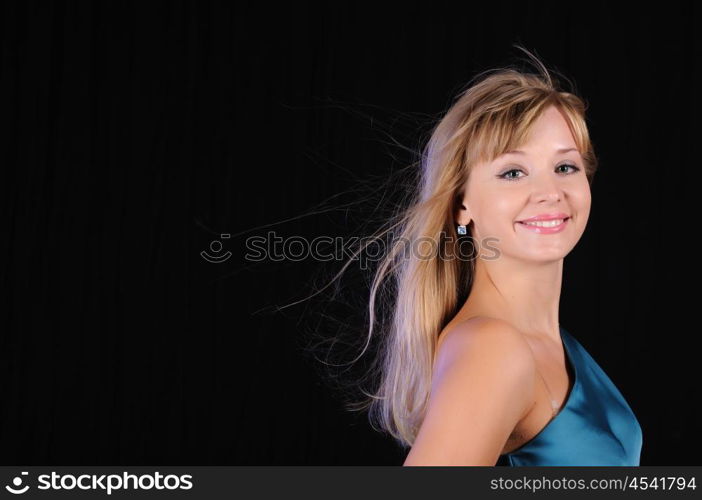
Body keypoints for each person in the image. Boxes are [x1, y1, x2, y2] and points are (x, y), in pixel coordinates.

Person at [338, 47, 642, 466]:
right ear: (462, 204)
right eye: (513, 172)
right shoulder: (492, 348)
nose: (550, 192)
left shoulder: (553, 343)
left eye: (566, 167)